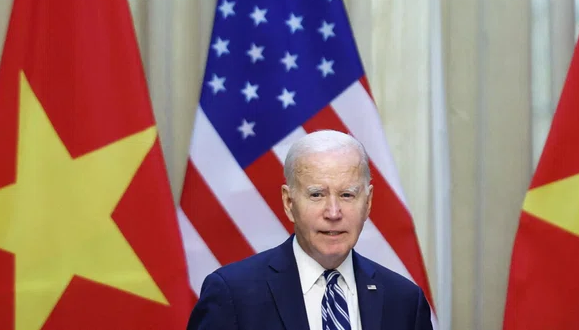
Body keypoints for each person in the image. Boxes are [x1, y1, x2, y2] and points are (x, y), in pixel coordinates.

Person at [186, 129, 433, 330]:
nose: (333, 212)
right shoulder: (233, 295)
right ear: (289, 202)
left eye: (347, 195)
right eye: (317, 195)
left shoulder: (404, 301)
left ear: (367, 203)